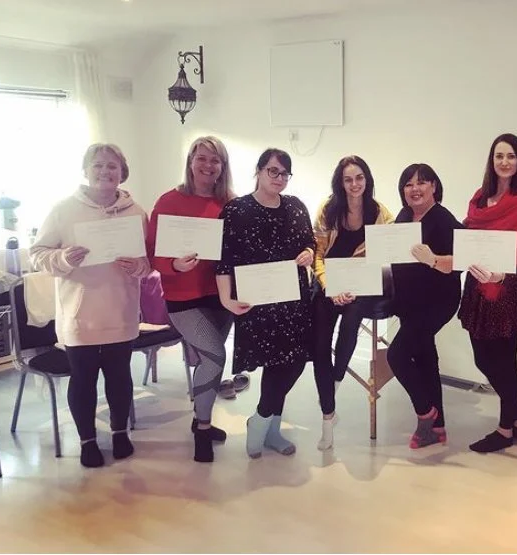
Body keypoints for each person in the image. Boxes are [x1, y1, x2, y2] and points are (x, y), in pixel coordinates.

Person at [30, 143, 149, 468]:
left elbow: (149, 260)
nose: (105, 172)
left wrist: (140, 266)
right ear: (85, 170)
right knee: (83, 379)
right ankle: (87, 441)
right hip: (79, 315)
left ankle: (120, 433)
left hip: (121, 310)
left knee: (120, 377)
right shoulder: (63, 210)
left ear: (122, 172)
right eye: (97, 165)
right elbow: (37, 253)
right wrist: (62, 258)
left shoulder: (136, 212)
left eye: (112, 166)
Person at [215, 148, 315, 459]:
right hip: (257, 301)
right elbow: (222, 259)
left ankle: (262, 420)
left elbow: (310, 241)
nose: (279, 178)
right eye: (273, 171)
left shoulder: (296, 207)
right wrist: (225, 299)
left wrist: (310, 253)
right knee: (274, 364)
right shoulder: (235, 210)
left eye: (285, 173)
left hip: (293, 300)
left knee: (293, 362)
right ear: (258, 171)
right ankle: (267, 425)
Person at [147, 135, 236, 463]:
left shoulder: (230, 203)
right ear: (190, 161)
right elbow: (153, 252)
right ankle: (202, 426)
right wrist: (173, 265)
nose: (208, 165)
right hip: (183, 297)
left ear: (222, 167)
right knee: (214, 357)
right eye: (201, 158)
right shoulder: (169, 201)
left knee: (208, 361)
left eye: (215, 160)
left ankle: (202, 417)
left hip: (219, 296)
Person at [458, 133, 517, 454]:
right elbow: (470, 235)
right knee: (484, 359)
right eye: (499, 156)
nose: (505, 162)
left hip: (510, 288)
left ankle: (505, 429)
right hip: (478, 287)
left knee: (505, 362)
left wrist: (506, 275)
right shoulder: (479, 200)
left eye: (511, 156)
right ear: (491, 161)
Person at [311, 155, 393, 450]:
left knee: (351, 322)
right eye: (348, 179)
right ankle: (327, 414)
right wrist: (328, 285)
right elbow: (317, 254)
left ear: (367, 180)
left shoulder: (380, 212)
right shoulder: (328, 209)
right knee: (319, 344)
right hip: (328, 282)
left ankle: (331, 386)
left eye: (359, 178)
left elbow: (387, 254)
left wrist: (359, 284)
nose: (355, 184)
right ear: (340, 182)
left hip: (362, 285)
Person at [386, 163, 463, 448]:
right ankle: (438, 427)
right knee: (425, 358)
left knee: (396, 355)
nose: (414, 189)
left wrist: (433, 259)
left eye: (422, 182)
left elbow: (464, 260)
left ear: (434, 186)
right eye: (408, 184)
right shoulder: (404, 216)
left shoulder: (443, 219)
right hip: (408, 300)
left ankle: (425, 413)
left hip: (436, 302)